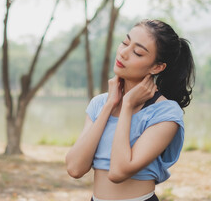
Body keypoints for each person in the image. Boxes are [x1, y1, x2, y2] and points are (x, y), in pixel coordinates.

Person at [65, 19, 195, 201]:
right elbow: (75, 168)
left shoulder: (165, 113)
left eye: (138, 52)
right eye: (125, 43)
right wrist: (109, 105)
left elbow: (118, 171)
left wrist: (127, 105)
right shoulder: (100, 103)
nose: (124, 53)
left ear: (157, 67)